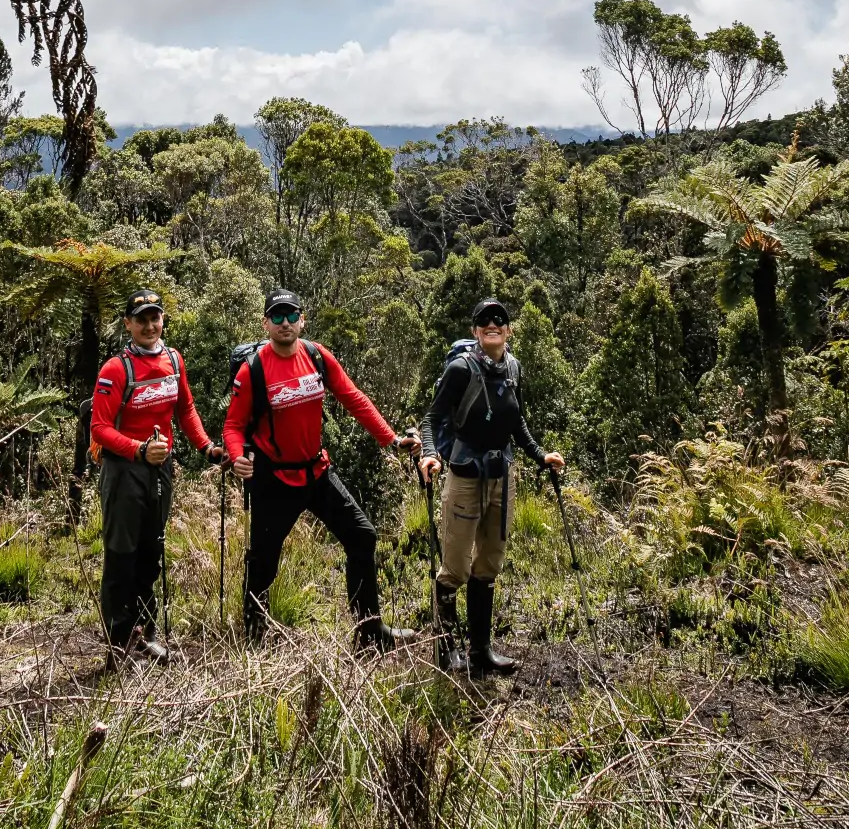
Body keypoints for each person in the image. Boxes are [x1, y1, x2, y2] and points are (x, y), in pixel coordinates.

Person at [225, 288, 423, 651]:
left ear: (302, 319)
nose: (285, 323)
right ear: (266, 322)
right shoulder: (252, 369)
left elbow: (354, 398)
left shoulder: (316, 356)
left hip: (316, 470)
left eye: (291, 315)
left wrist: (391, 440)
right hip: (273, 478)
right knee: (263, 560)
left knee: (362, 536)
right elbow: (233, 426)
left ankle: (369, 632)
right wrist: (238, 456)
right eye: (277, 316)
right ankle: (253, 640)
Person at [418, 298, 565, 678]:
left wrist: (539, 455)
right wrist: (431, 456)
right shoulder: (459, 370)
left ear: (509, 330)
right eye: (484, 320)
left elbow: (517, 424)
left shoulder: (514, 368)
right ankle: (447, 650)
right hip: (465, 476)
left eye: (499, 319)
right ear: (475, 331)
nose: (492, 324)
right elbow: (432, 418)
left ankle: (481, 650)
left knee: (488, 565)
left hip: (503, 476)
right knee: (454, 567)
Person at [90, 286, 223, 664]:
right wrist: (138, 450)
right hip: (124, 470)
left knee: (151, 553)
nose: (150, 325)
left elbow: (186, 410)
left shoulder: (174, 361)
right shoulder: (116, 369)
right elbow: (99, 428)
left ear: (162, 320)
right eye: (141, 319)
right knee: (121, 555)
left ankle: (144, 634)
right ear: (128, 324)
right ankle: (118, 645)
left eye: (155, 318)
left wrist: (206, 447)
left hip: (160, 468)